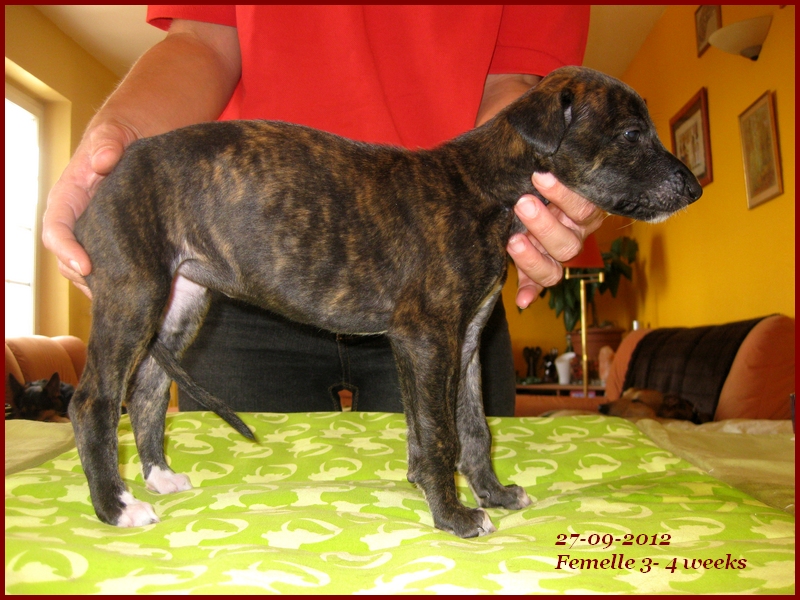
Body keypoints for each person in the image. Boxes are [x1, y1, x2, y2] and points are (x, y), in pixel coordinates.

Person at [42, 5, 603, 416]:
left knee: (448, 527)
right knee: (239, 525)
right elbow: (202, 41)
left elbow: (516, 83)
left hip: (439, 274)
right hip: (245, 262)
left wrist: (547, 177)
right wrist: (123, 137)